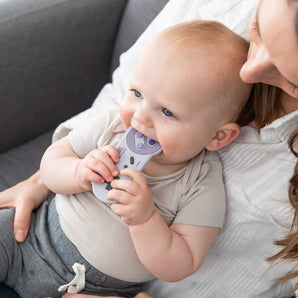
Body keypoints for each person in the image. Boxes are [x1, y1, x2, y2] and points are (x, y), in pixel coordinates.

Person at [0, 0, 297, 297]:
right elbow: (54, 160)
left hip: (98, 289)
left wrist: (145, 220)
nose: (140, 117)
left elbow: (183, 262)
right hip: (28, 237)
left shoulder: (202, 184)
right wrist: (77, 172)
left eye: (167, 112)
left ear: (218, 137)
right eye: (137, 93)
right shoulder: (114, 126)